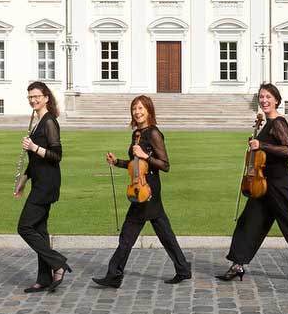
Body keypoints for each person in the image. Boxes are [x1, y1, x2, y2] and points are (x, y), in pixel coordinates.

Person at [222, 83, 288, 284]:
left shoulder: (279, 122)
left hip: (278, 183)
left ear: (276, 99)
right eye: (261, 97)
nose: (264, 101)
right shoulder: (265, 123)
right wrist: (256, 146)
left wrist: (262, 145)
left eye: (268, 97)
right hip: (262, 183)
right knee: (249, 222)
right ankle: (237, 264)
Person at [93, 95, 191, 288]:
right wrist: (117, 162)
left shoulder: (154, 133)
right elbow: (135, 165)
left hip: (148, 191)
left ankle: (114, 275)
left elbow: (165, 165)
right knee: (164, 232)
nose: (137, 112)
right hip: (140, 187)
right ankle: (183, 268)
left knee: (128, 235)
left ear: (149, 110)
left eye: (140, 108)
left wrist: (145, 155)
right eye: (134, 109)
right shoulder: (136, 134)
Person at [15, 81, 71, 293]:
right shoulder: (37, 122)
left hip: (47, 184)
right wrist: (24, 179)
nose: (33, 100)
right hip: (38, 181)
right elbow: (36, 161)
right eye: (30, 96)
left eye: (37, 96)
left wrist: (34, 146)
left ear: (46, 97)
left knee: (24, 227)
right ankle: (44, 278)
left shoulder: (49, 122)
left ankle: (58, 263)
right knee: (40, 230)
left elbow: (56, 156)